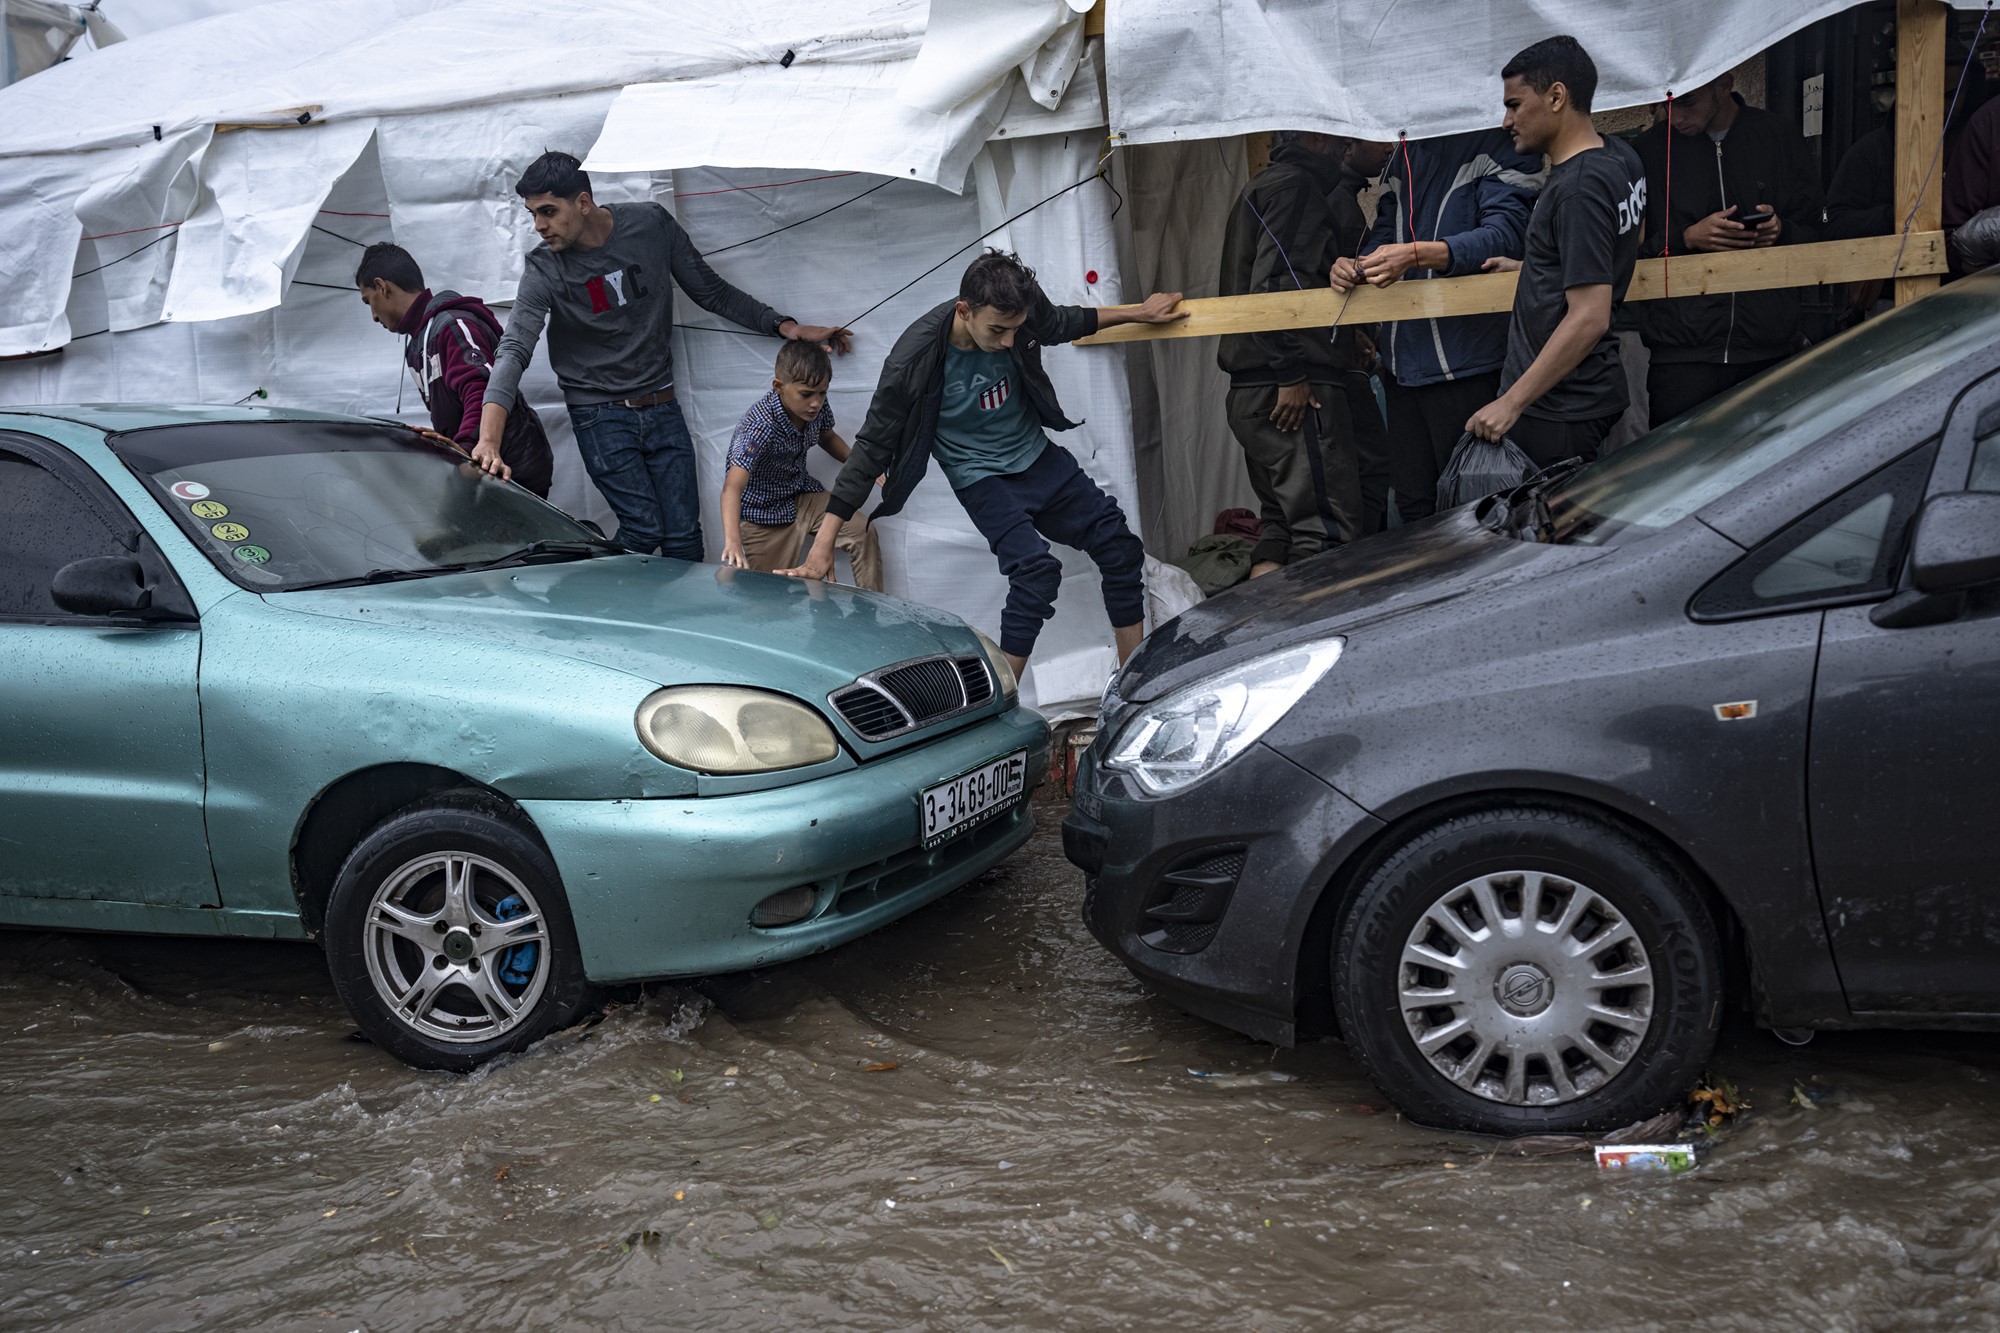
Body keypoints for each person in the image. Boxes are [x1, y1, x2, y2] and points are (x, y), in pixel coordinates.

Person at [780, 251, 1185, 679]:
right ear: (964, 310)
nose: (1010, 341)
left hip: (1036, 455)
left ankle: (1132, 685)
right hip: (980, 476)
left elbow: (1061, 323)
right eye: (997, 330)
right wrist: (823, 544)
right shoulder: (913, 359)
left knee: (1119, 548)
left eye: (1015, 329)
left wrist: (1139, 311)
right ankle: (1004, 702)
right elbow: (872, 448)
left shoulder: (1018, 310)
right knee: (1036, 574)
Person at [478, 151, 850, 559]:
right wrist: (488, 441)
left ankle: (679, 622)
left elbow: (712, 291)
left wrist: (787, 328)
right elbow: (514, 348)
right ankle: (589, 606)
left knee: (684, 540)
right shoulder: (544, 269)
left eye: (548, 211)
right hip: (600, 415)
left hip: (661, 404)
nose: (539, 226)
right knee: (642, 529)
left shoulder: (649, 225)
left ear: (583, 202)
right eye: (533, 213)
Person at [1334, 129, 1541, 523]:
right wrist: (1354, 266)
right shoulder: (1404, 153)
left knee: (1473, 508)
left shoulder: (1501, 143)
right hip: (1400, 368)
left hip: (1468, 366)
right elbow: (1383, 236)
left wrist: (1415, 255)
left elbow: (1506, 237)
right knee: (1413, 506)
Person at [1467, 35, 1646, 470]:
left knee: (1548, 535)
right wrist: (1540, 266)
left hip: (1559, 406)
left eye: (1514, 104)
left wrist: (1511, 403)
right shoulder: (1619, 156)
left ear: (1556, 97)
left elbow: (1590, 316)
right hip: (1584, 394)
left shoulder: (1577, 188)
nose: (1507, 120)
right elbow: (1625, 243)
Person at [1214, 131, 1368, 575]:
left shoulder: (1266, 184)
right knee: (1325, 535)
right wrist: (1291, 373)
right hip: (1286, 388)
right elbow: (1275, 286)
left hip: (1253, 388)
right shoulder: (1295, 185)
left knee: (1280, 527)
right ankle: (1311, 641)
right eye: (1342, 137)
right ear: (1317, 137)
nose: (1348, 148)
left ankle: (1267, 638)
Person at [1633, 73, 1822, 425]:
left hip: (1768, 349)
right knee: (1680, 474)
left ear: (1723, 84)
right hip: (1681, 357)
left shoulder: (1776, 136)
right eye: (1665, 106)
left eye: (1687, 103)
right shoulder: (1649, 151)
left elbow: (1819, 231)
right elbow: (1628, 249)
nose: (1676, 118)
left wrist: (1781, 230)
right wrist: (1687, 238)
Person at [354, 242, 555, 498]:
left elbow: (481, 389)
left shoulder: (452, 325)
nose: (372, 315)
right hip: (476, 470)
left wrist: (465, 452)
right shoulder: (416, 345)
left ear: (382, 287)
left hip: (507, 471)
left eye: (368, 301)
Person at [720, 339, 882, 589]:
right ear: (779, 387)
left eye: (822, 393)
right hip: (763, 513)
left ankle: (873, 610)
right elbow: (732, 486)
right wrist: (732, 541)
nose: (816, 402)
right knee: (765, 599)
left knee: (863, 531)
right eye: (807, 394)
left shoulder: (815, 407)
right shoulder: (759, 425)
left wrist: (861, 463)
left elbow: (827, 437)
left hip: (801, 494)